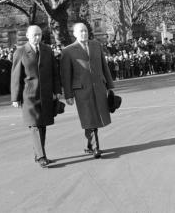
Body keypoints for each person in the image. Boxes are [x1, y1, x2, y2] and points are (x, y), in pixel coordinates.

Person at [60, 23, 115, 159]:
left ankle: (90, 145)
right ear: (75, 34)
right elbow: (66, 75)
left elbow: (104, 65)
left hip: (99, 86)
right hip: (81, 90)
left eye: (85, 31)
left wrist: (110, 86)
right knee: (89, 116)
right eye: (81, 31)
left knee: (94, 116)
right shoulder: (68, 51)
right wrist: (68, 95)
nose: (84, 34)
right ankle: (96, 148)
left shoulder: (96, 45)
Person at [11, 25, 61, 168]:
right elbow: (16, 76)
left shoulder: (47, 50)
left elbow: (54, 73)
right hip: (29, 95)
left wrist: (57, 90)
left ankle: (38, 153)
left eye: (39, 34)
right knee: (34, 126)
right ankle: (41, 156)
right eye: (34, 35)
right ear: (27, 35)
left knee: (42, 124)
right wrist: (15, 97)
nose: (37, 37)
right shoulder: (20, 52)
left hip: (45, 94)